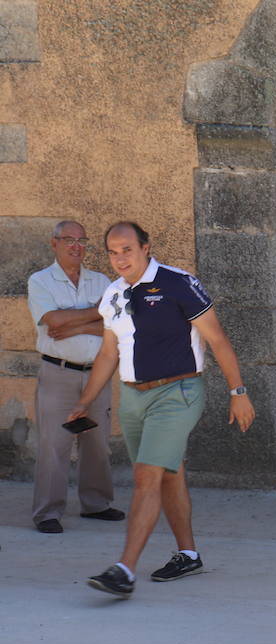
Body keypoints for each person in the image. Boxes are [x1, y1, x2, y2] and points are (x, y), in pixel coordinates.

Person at [73, 222, 256, 598]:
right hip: (134, 398)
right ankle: (188, 554)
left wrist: (238, 392)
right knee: (168, 475)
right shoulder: (113, 294)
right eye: (112, 251)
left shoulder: (177, 283)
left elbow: (217, 339)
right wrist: (84, 401)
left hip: (178, 394)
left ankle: (124, 569)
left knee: (146, 478)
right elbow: (109, 353)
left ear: (145, 247)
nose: (119, 258)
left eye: (127, 249)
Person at [27, 220, 121, 533]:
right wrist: (94, 313)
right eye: (68, 239)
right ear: (54, 243)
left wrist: (75, 323)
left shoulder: (101, 281)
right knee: (54, 444)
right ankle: (48, 513)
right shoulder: (41, 281)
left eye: (82, 240)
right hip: (58, 372)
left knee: (97, 441)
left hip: (97, 374)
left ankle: (96, 504)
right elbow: (51, 319)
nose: (76, 245)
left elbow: (114, 326)